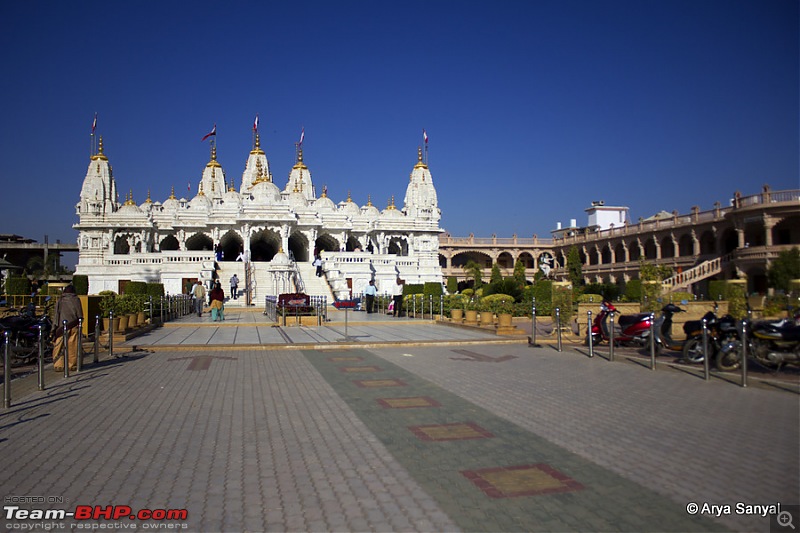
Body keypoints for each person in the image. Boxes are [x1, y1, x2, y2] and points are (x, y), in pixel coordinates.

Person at [52, 285, 83, 372]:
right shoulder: (76, 299)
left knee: (59, 346)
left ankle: (58, 364)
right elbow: (80, 313)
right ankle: (72, 364)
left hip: (61, 327)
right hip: (73, 325)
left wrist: (54, 328)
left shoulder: (60, 300)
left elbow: (56, 314)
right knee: (73, 346)